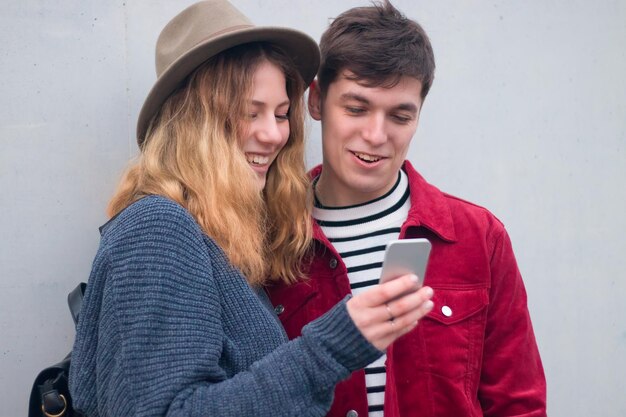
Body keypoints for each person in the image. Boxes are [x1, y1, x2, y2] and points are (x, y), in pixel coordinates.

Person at [68, 1, 435, 416]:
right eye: (250, 113)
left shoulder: (219, 237)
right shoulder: (157, 228)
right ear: (194, 120)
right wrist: (330, 348)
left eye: (281, 114)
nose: (275, 134)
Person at [266, 2, 547, 417]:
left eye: (399, 115)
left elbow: (518, 405)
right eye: (357, 108)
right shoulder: (265, 237)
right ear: (317, 100)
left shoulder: (479, 237)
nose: (376, 135)